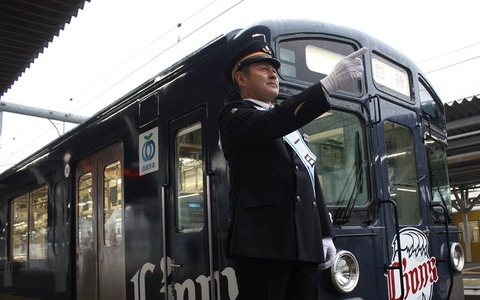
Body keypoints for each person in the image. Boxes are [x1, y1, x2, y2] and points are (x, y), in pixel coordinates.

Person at [218, 38, 367, 300]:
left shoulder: (285, 126)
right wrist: (327, 85)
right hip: (263, 244)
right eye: (263, 68)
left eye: (274, 68)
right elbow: (273, 122)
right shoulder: (235, 116)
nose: (273, 73)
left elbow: (308, 176)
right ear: (241, 79)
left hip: (302, 244)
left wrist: (324, 233)